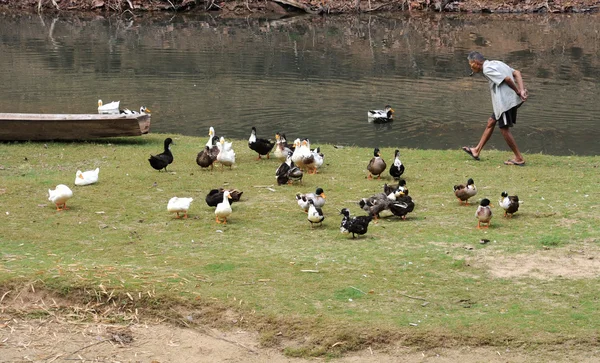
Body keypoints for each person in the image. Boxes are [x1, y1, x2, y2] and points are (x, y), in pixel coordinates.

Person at [462, 51, 528, 166]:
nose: (471, 67)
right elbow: (517, 73)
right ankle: (476, 151)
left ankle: (519, 158)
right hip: (504, 102)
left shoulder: (487, 69)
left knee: (504, 129)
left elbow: (507, 79)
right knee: (491, 122)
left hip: (505, 102)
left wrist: (518, 92)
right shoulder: (496, 63)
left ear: (476, 62)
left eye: (471, 64)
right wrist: (522, 89)